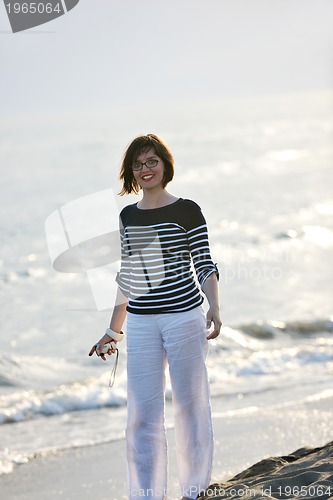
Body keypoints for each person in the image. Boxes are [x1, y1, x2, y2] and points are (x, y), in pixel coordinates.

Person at [89, 134, 222, 500]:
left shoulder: (187, 210)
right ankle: (146, 495)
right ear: (131, 172)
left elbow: (205, 262)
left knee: (190, 406)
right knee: (142, 415)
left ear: (165, 164)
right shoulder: (128, 216)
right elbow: (128, 277)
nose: (145, 169)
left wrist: (215, 306)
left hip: (184, 318)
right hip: (143, 324)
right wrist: (112, 332)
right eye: (138, 164)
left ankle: (194, 490)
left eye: (151, 161)